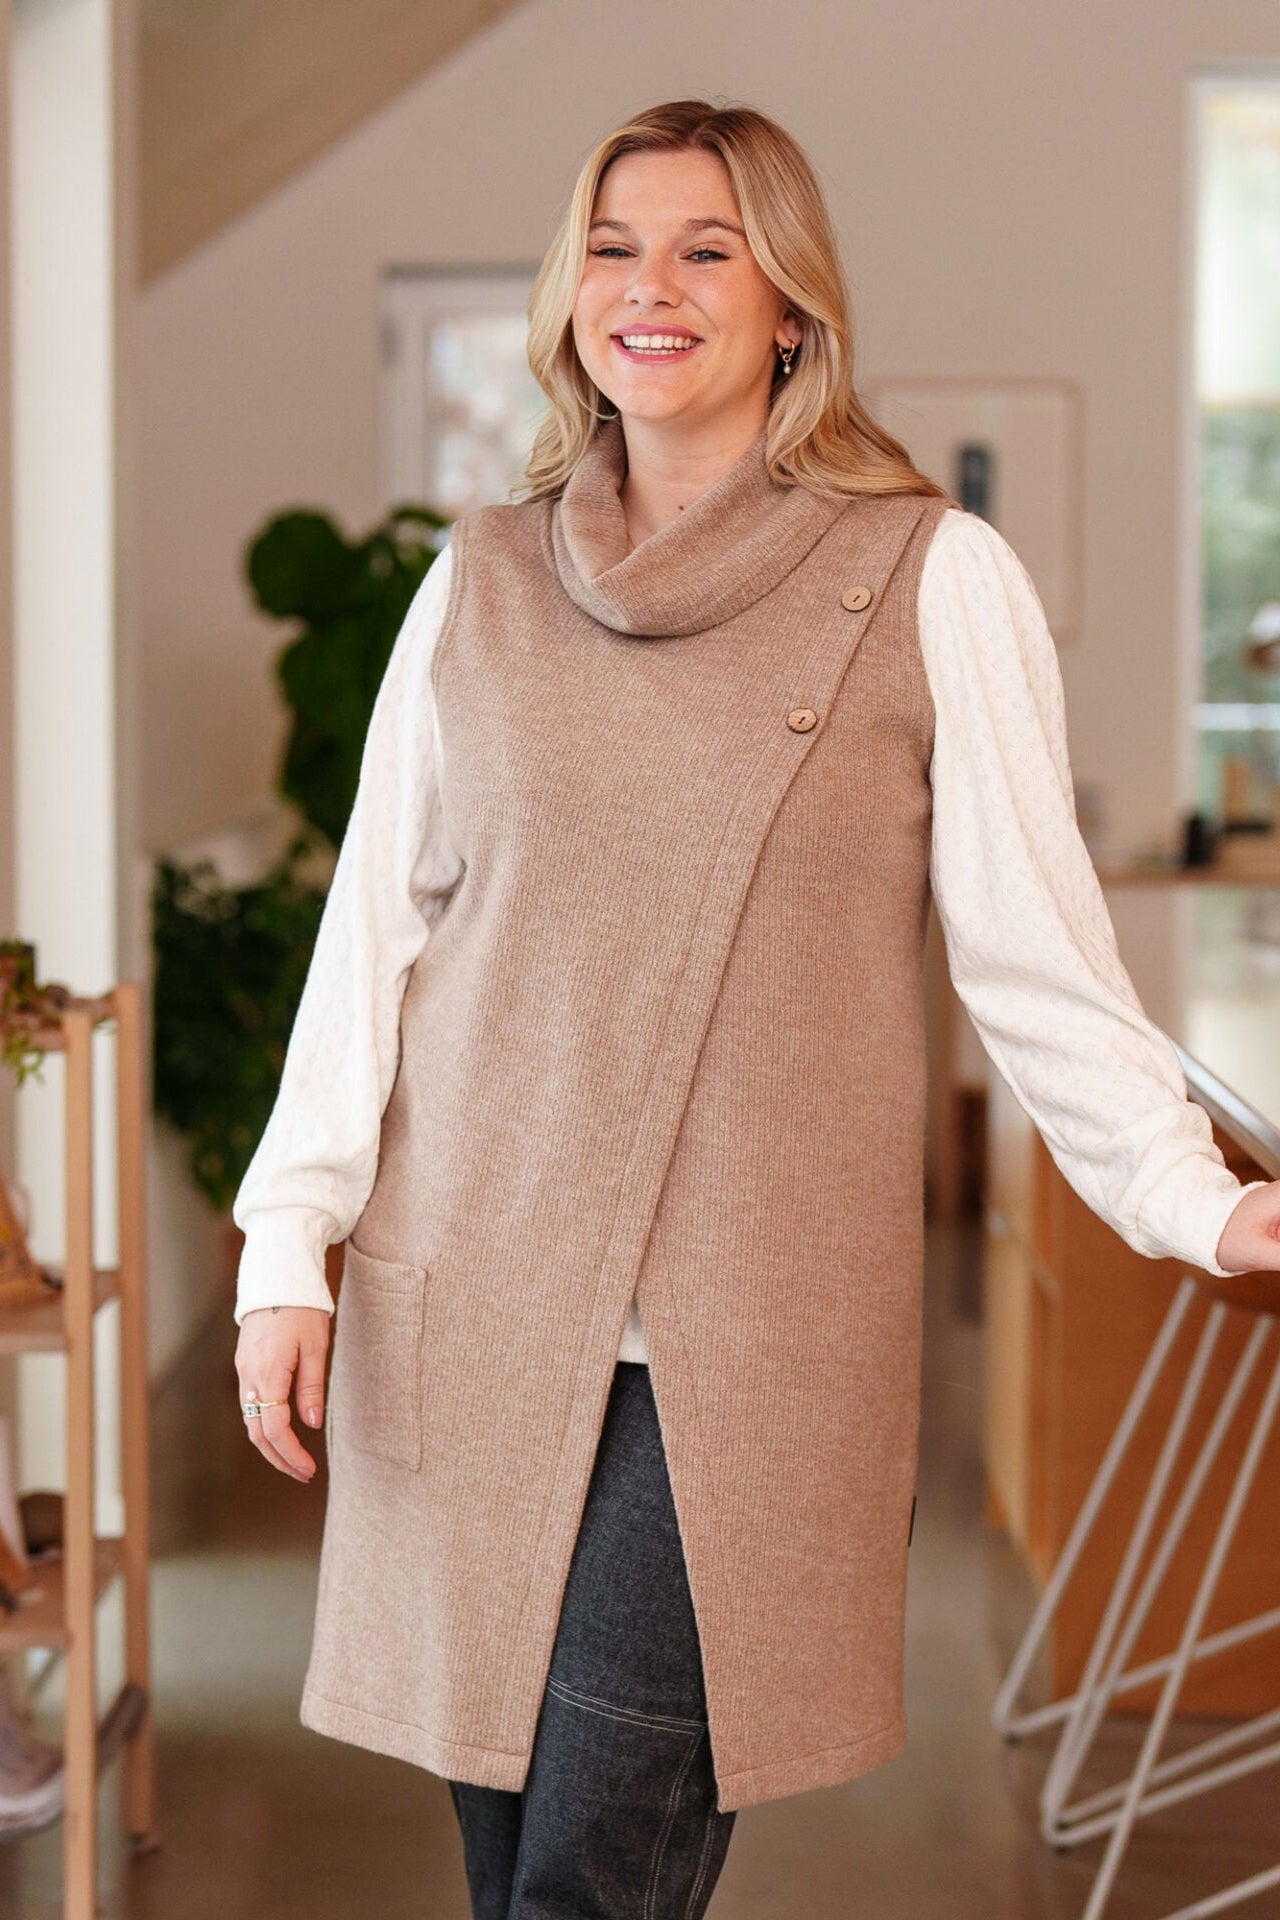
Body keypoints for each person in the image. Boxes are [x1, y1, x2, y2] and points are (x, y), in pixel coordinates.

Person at [231, 98, 1280, 1918]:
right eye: (617, 249)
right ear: (573, 301)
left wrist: (1194, 1196)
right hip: (475, 1294)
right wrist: (285, 1249)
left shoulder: (928, 578)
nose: (654, 287)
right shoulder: (477, 581)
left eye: (707, 248)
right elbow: (374, 941)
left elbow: (1033, 957)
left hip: (746, 1345)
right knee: (507, 1865)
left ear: (790, 304)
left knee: (592, 1876)